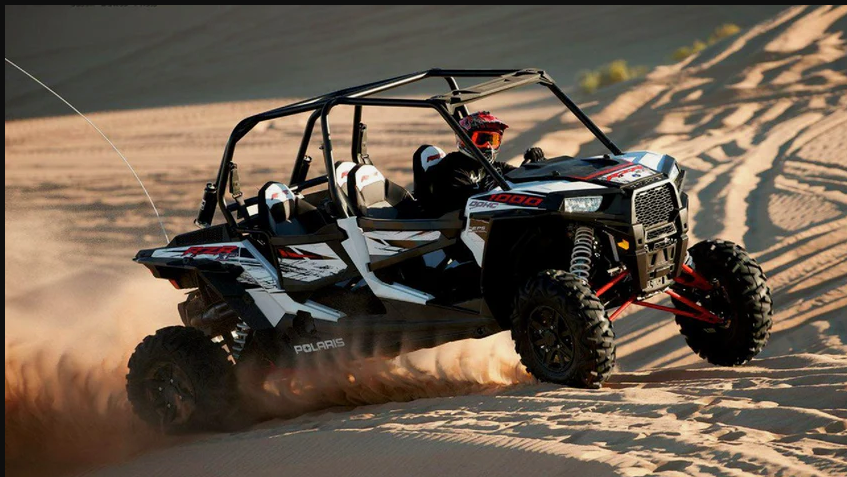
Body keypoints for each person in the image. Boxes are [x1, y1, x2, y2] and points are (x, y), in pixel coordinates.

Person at [413, 111, 545, 216]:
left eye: (493, 140)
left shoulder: (491, 167)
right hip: (450, 234)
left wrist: (536, 165)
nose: (488, 146)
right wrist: (489, 186)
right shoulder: (452, 169)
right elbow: (465, 204)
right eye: (482, 139)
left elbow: (520, 176)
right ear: (464, 140)